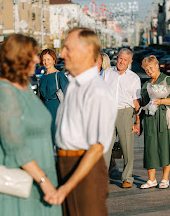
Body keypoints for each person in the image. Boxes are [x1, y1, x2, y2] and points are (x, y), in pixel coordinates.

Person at [0, 34, 61, 216]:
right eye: (31, 55)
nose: (36, 59)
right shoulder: (3, 90)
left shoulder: (23, 87)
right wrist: (44, 181)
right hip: (17, 182)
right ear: (16, 57)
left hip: (35, 177)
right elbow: (14, 143)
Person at [48, 28, 117, 216]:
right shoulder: (75, 86)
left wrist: (66, 186)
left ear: (87, 51)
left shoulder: (96, 90)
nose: (62, 54)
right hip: (66, 165)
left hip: (84, 171)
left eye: (68, 49)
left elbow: (96, 148)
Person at [140, 55, 170, 189]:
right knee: (150, 148)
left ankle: (165, 179)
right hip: (149, 119)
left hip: (163, 119)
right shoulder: (147, 83)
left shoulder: (167, 79)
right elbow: (143, 102)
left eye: (151, 68)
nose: (149, 71)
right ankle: (151, 179)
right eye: (146, 69)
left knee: (165, 147)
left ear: (157, 66)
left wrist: (162, 101)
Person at [102, 48, 141, 188]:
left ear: (130, 62)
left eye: (125, 60)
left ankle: (127, 178)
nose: (121, 62)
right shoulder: (106, 74)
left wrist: (138, 122)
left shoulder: (134, 78)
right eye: (120, 58)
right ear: (116, 58)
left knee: (127, 147)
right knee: (106, 147)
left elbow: (137, 102)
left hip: (125, 113)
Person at [39, 49, 68, 145]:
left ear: (54, 60)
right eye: (44, 60)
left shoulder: (59, 75)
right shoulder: (42, 78)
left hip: (57, 109)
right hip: (44, 111)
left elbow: (68, 95)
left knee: (58, 140)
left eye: (48, 59)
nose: (46, 62)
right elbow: (39, 98)